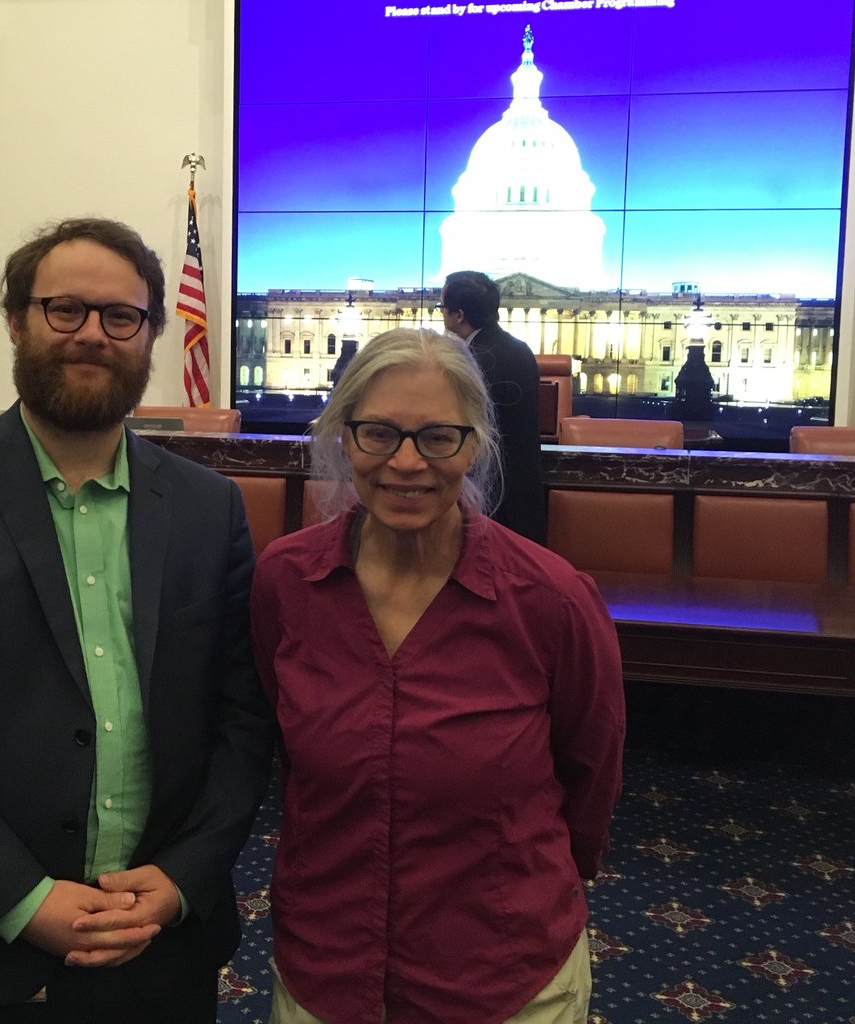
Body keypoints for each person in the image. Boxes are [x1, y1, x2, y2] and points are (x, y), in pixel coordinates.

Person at [0, 218, 274, 1023]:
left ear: (149, 334)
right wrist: (20, 897)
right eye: (64, 310)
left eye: (121, 317)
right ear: (13, 320)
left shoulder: (210, 509)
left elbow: (244, 718)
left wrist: (184, 877)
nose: (92, 336)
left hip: (159, 945)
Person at [251, 328, 625, 1024]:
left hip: (502, 979)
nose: (406, 462)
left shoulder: (552, 600)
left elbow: (591, 778)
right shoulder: (286, 581)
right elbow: (282, 751)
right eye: (379, 433)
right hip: (326, 970)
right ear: (342, 438)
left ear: (475, 444)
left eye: (437, 438)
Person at [441, 269, 546, 543]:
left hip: (489, 499)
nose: (442, 314)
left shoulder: (470, 361)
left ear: (459, 315)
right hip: (524, 494)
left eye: (443, 308)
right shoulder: (520, 348)